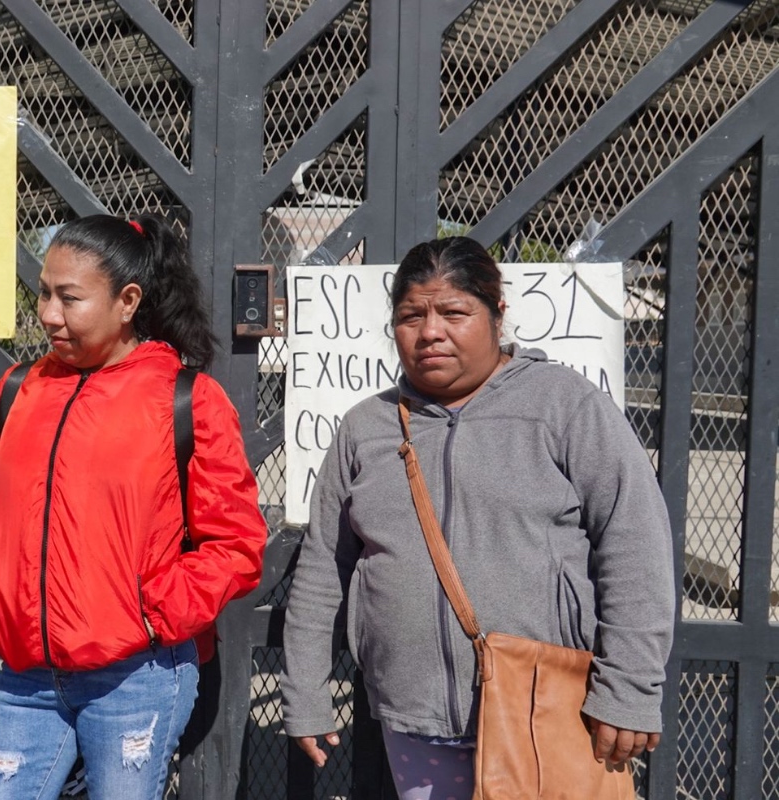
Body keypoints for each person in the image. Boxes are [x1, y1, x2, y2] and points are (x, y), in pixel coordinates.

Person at [281, 237, 675, 799]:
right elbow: (323, 569)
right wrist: (307, 693)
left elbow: (634, 544)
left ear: (497, 315)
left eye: (454, 312)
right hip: (415, 721)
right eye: (411, 316)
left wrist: (630, 688)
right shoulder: (365, 428)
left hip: (547, 708)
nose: (430, 332)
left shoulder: (564, 405)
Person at [0, 214, 267, 799]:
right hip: (27, 671)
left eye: (69, 298)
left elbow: (237, 545)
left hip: (136, 676)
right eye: (44, 293)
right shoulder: (21, 388)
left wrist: (152, 615)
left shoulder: (186, 398)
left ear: (128, 301)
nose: (47, 313)